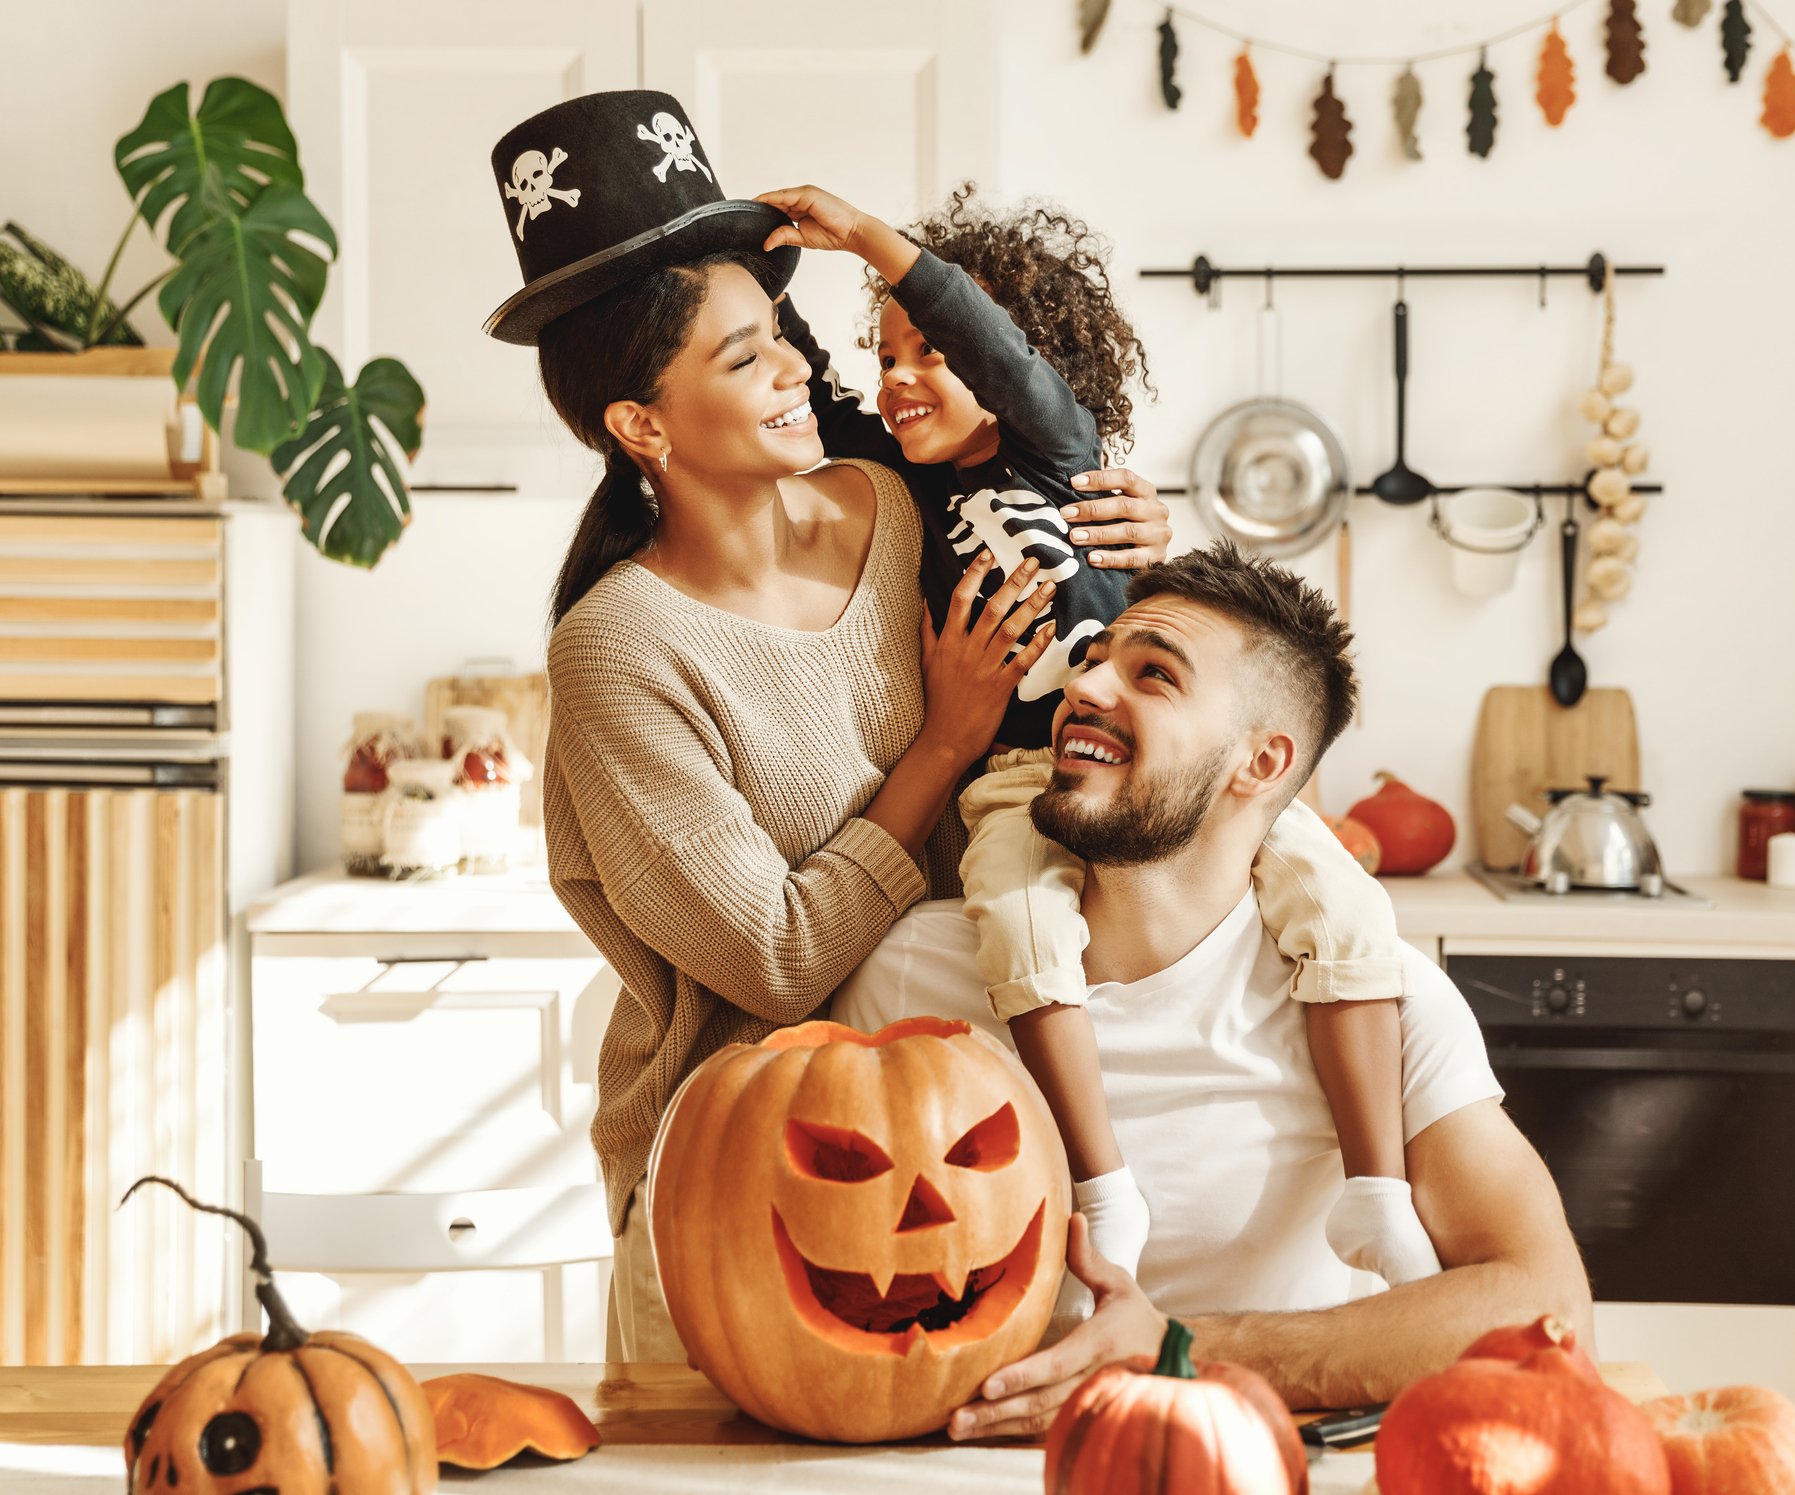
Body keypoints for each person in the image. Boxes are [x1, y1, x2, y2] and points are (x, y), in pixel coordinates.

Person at [477, 90, 1170, 1359]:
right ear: (640, 424)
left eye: (781, 335)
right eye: (743, 360)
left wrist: (1135, 540)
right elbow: (778, 958)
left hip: (975, 1166)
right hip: (751, 1203)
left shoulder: (895, 502)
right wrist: (939, 748)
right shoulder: (619, 650)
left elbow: (1028, 466)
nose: (802, 371)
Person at [760, 182, 1436, 1295]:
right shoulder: (894, 487)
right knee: (1019, 927)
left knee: (1342, 903)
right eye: (886, 355)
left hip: (1168, 771)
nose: (898, 377)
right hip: (1019, 783)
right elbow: (807, 389)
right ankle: (1102, 1187)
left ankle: (1375, 1190)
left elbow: (992, 347)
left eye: (928, 349)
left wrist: (873, 244)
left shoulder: (1057, 453)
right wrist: (758, 272)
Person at [833, 541, 1593, 1433]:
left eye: (1153, 675)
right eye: (1094, 659)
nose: (1087, 688)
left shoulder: (1386, 1005)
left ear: (1262, 764)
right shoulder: (912, 974)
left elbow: (1548, 1310)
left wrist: (1175, 1349)